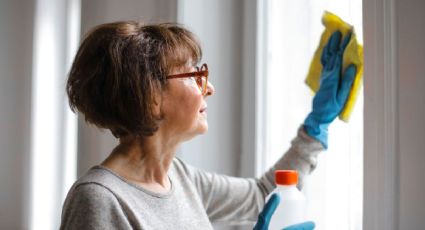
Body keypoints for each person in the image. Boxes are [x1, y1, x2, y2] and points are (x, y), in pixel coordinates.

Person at [60, 21, 355, 230]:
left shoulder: (181, 178)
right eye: (192, 75)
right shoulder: (99, 199)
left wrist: (316, 126)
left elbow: (262, 196)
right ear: (151, 96)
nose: (209, 87)